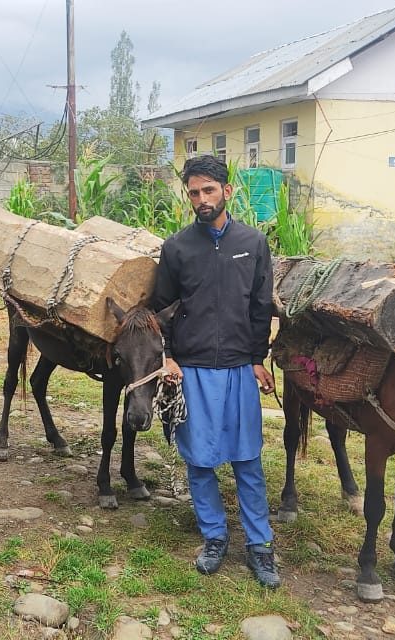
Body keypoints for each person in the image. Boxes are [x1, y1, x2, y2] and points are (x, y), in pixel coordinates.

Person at [149, 154, 279, 589]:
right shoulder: (177, 247)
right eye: (194, 193)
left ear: (227, 191)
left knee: (247, 459)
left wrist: (258, 358)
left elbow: (261, 306)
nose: (201, 199)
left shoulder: (253, 243)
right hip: (193, 369)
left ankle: (260, 545)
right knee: (199, 460)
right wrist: (167, 357)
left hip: (239, 367)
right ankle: (214, 537)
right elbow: (162, 309)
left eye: (208, 190)